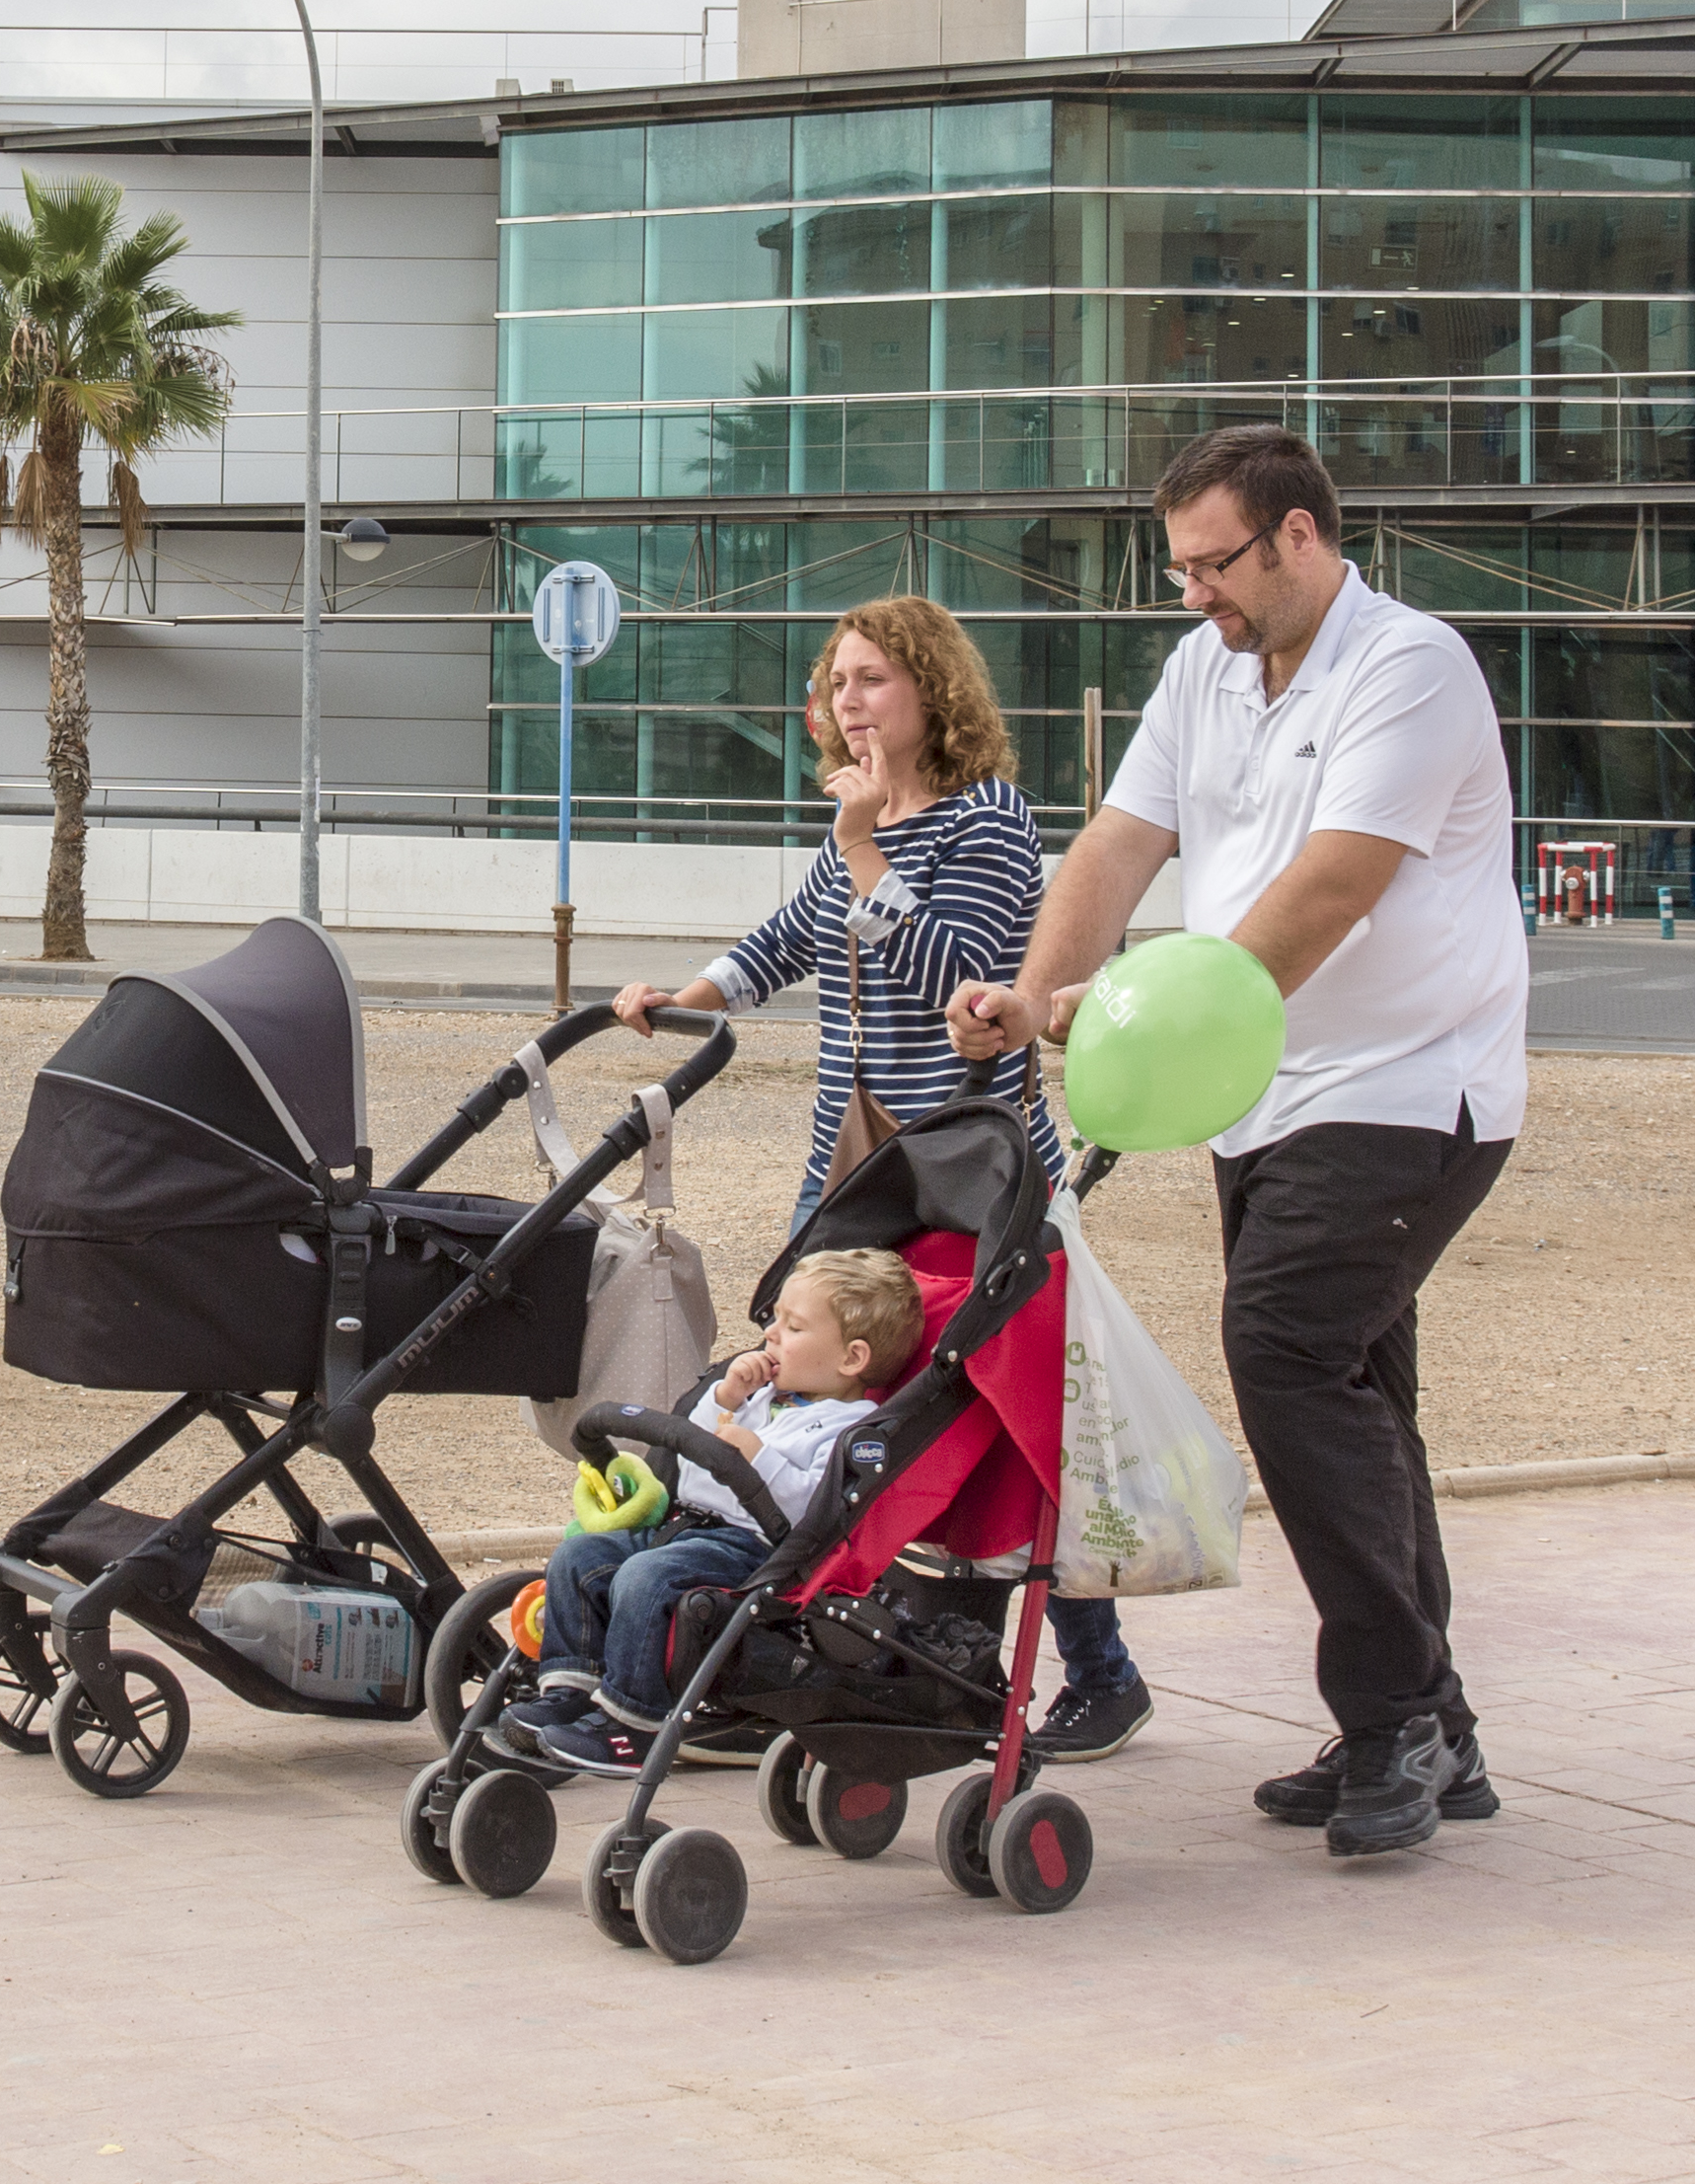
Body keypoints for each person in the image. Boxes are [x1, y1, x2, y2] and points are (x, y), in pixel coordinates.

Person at [953, 422, 1528, 1863]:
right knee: (1358, 1392)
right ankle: (1431, 1725)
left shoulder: (1410, 666)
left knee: (1280, 1346)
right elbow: (1114, 846)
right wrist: (1035, 995)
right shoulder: (1203, 669)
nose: (1194, 594)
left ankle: (1395, 1711)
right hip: (1257, 1090)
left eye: (1216, 564)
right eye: (1181, 569)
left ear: (1300, 538)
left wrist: (1145, 1002)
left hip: (1411, 1085)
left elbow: (1333, 888)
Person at [604, 593, 1147, 1760]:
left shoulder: (986, 818)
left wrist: (864, 852)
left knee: (993, 1410)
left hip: (967, 1173)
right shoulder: (857, 819)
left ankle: (1100, 1668)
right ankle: (798, 1644)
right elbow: (790, 938)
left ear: (932, 693)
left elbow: (970, 969)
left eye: (874, 681)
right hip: (854, 1174)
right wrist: (686, 999)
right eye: (838, 683)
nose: (849, 704)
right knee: (826, 1397)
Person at [498, 1248, 918, 1770]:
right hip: (687, 1526)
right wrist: (724, 1397)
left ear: (851, 1359)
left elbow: (815, 1510)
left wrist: (757, 1456)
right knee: (580, 1556)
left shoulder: (849, 1426)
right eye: (774, 1320)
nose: (771, 1335)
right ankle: (571, 1686)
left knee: (645, 1578)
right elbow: (693, 1455)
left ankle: (634, 1720)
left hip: (751, 1549)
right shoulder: (765, 1395)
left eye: (793, 1327)